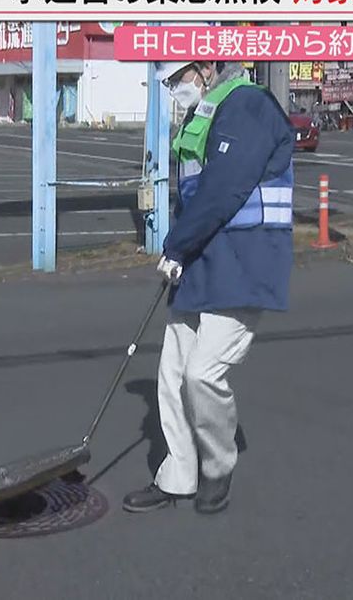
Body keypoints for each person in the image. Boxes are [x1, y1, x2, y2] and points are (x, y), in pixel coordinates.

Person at [123, 55, 295, 515]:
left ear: (203, 66)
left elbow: (224, 190)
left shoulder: (248, 106)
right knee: (173, 375)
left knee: (202, 373)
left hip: (244, 263)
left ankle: (218, 464)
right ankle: (178, 475)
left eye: (178, 77)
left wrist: (176, 247)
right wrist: (180, 251)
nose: (175, 87)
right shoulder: (207, 110)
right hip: (202, 260)